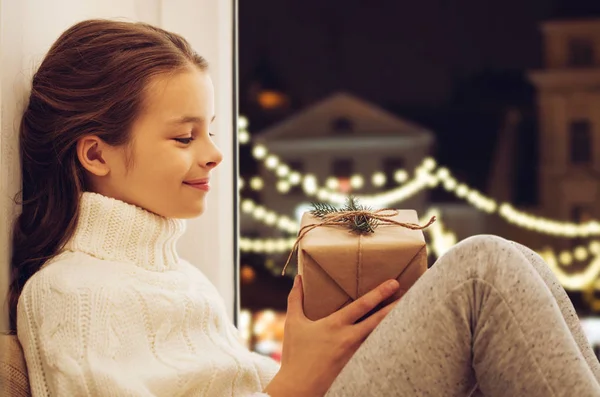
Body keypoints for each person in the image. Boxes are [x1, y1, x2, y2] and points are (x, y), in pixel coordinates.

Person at [6, 19, 600, 397]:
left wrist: (337, 355)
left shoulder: (178, 278)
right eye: (184, 137)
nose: (214, 155)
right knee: (484, 269)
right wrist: (296, 379)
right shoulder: (68, 294)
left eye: (211, 131)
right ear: (96, 153)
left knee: (516, 272)